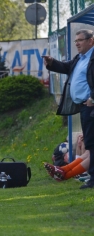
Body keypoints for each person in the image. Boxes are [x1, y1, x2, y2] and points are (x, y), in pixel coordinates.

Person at [42, 29, 94, 189]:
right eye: (76, 40)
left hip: (91, 105)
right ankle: (64, 171)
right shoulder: (80, 58)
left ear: (91, 40)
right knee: (91, 145)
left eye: (80, 40)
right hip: (84, 107)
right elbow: (66, 67)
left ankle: (89, 179)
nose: (77, 43)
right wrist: (51, 62)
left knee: (91, 145)